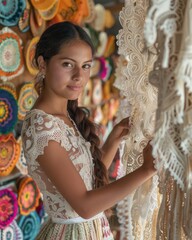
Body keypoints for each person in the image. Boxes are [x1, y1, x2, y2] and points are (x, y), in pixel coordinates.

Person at [21, 21, 156, 240]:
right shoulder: (42, 128)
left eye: (85, 66)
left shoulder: (63, 118)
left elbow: (83, 180)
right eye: (67, 64)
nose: (79, 76)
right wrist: (146, 170)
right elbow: (84, 205)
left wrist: (113, 141)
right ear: (42, 64)